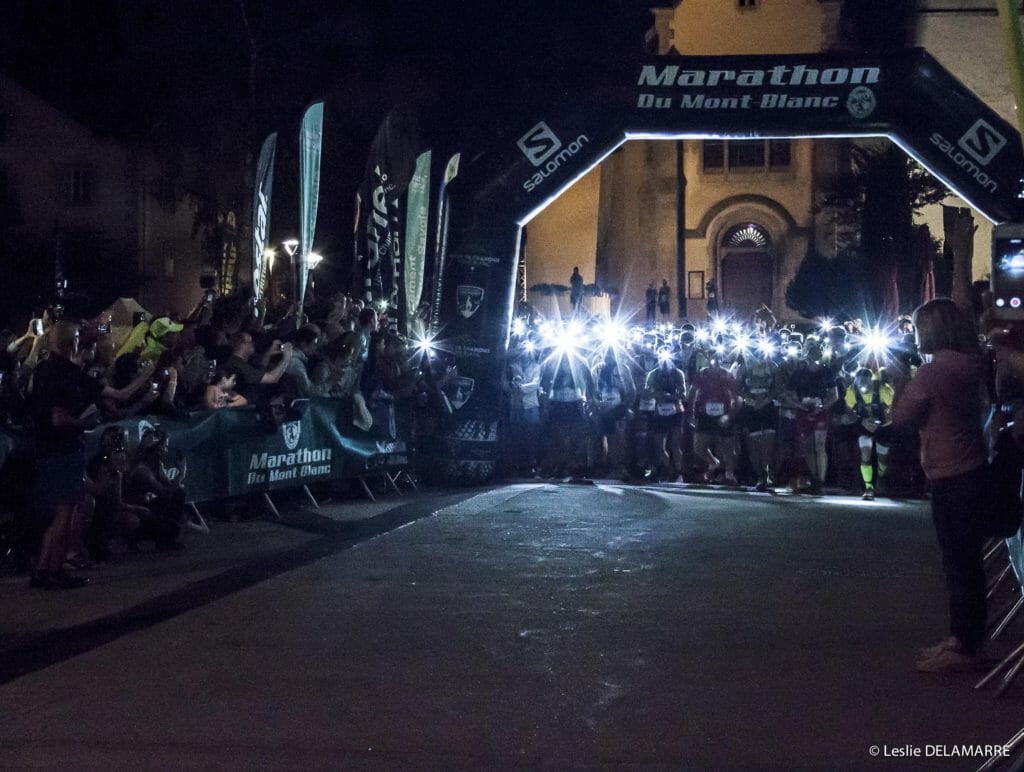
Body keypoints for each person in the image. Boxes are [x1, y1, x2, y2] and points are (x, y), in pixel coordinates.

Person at [892, 298, 988, 673]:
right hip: (971, 464)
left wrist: (900, 379)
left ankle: (963, 645)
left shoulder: (932, 374)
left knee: (957, 561)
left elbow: (902, 416)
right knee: (967, 560)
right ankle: (964, 639)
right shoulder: (971, 366)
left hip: (949, 471)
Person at [29, 321, 154, 589]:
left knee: (62, 513)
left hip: (48, 449)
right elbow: (59, 418)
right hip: (62, 449)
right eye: (76, 339)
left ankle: (44, 569)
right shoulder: (66, 375)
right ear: (71, 343)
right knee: (66, 512)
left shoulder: (43, 371)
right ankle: (53, 570)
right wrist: (83, 423)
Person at [843, 367, 894, 499]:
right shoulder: (851, 391)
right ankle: (868, 487)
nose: (863, 386)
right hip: (864, 426)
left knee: (883, 459)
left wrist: (881, 423)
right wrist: (861, 420)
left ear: (872, 381)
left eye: (866, 382)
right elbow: (849, 410)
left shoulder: (883, 389)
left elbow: (893, 408)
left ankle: (881, 478)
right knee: (865, 454)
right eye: (860, 383)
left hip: (884, 426)